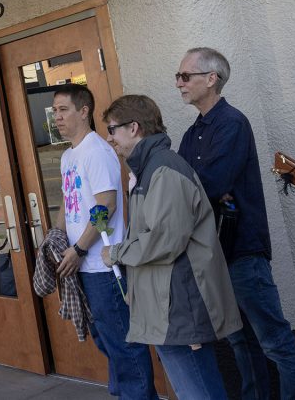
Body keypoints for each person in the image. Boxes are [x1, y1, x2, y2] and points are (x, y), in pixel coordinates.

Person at [176, 47, 295, 399]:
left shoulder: (232, 122)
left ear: (211, 78)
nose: (179, 83)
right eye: (178, 76)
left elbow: (209, 183)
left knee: (276, 343)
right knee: (240, 344)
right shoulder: (192, 135)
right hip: (212, 255)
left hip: (242, 254)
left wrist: (192, 190)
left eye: (186, 75)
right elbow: (179, 187)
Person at [103, 94, 241, 399]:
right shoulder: (150, 169)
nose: (109, 138)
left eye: (112, 129)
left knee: (198, 391)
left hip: (179, 305)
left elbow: (164, 239)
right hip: (169, 306)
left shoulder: (163, 170)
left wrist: (116, 253)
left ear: (134, 127)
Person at [52, 84, 158, 399]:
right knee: (104, 339)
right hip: (81, 265)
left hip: (103, 266)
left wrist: (82, 247)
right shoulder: (69, 155)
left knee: (123, 345)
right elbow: (69, 201)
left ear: (83, 111)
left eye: (63, 110)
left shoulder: (96, 151)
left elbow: (106, 206)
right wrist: (56, 236)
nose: (57, 117)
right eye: (54, 111)